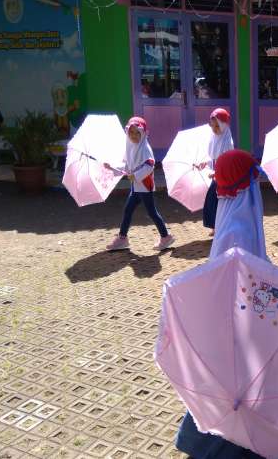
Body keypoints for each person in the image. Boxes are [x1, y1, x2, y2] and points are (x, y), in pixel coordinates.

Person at [175, 149, 265, 459]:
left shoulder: (237, 221)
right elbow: (230, 288)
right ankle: (213, 445)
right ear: (244, 185)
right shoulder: (237, 231)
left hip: (241, 324)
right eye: (253, 179)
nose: (257, 185)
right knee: (230, 391)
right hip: (234, 330)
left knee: (232, 390)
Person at [105, 117, 175, 251]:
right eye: (131, 133)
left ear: (143, 133)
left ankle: (166, 237)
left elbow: (150, 166)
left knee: (152, 212)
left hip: (144, 187)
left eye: (137, 133)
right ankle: (122, 238)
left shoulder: (145, 148)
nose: (134, 136)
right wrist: (111, 167)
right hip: (136, 187)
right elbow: (126, 165)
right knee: (128, 210)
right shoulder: (130, 146)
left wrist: (135, 175)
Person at [196, 108, 234, 237]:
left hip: (224, 178)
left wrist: (217, 173)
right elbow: (212, 158)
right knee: (213, 201)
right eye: (213, 125)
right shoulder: (213, 138)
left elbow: (228, 163)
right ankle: (215, 226)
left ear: (224, 125)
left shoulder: (227, 142)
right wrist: (204, 164)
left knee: (219, 202)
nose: (214, 129)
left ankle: (220, 227)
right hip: (216, 177)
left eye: (218, 126)